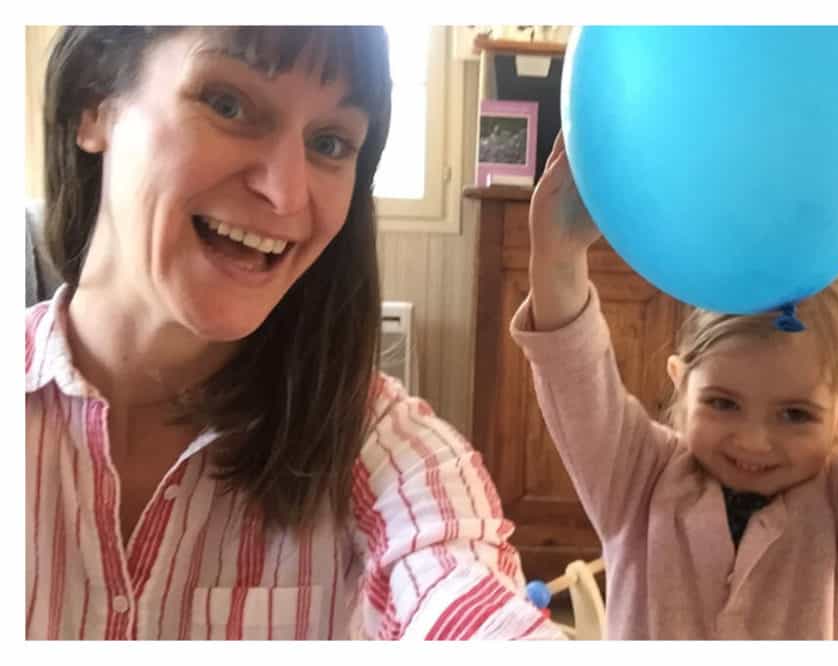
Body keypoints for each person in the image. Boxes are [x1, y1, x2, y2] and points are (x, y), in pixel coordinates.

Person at [25, 26, 557, 640]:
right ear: (95, 102)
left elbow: (463, 593)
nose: (285, 192)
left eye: (330, 142)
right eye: (228, 104)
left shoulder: (385, 450)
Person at [510, 133, 838, 638]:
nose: (752, 440)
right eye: (723, 403)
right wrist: (555, 260)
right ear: (681, 384)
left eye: (795, 414)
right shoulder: (637, 483)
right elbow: (575, 379)